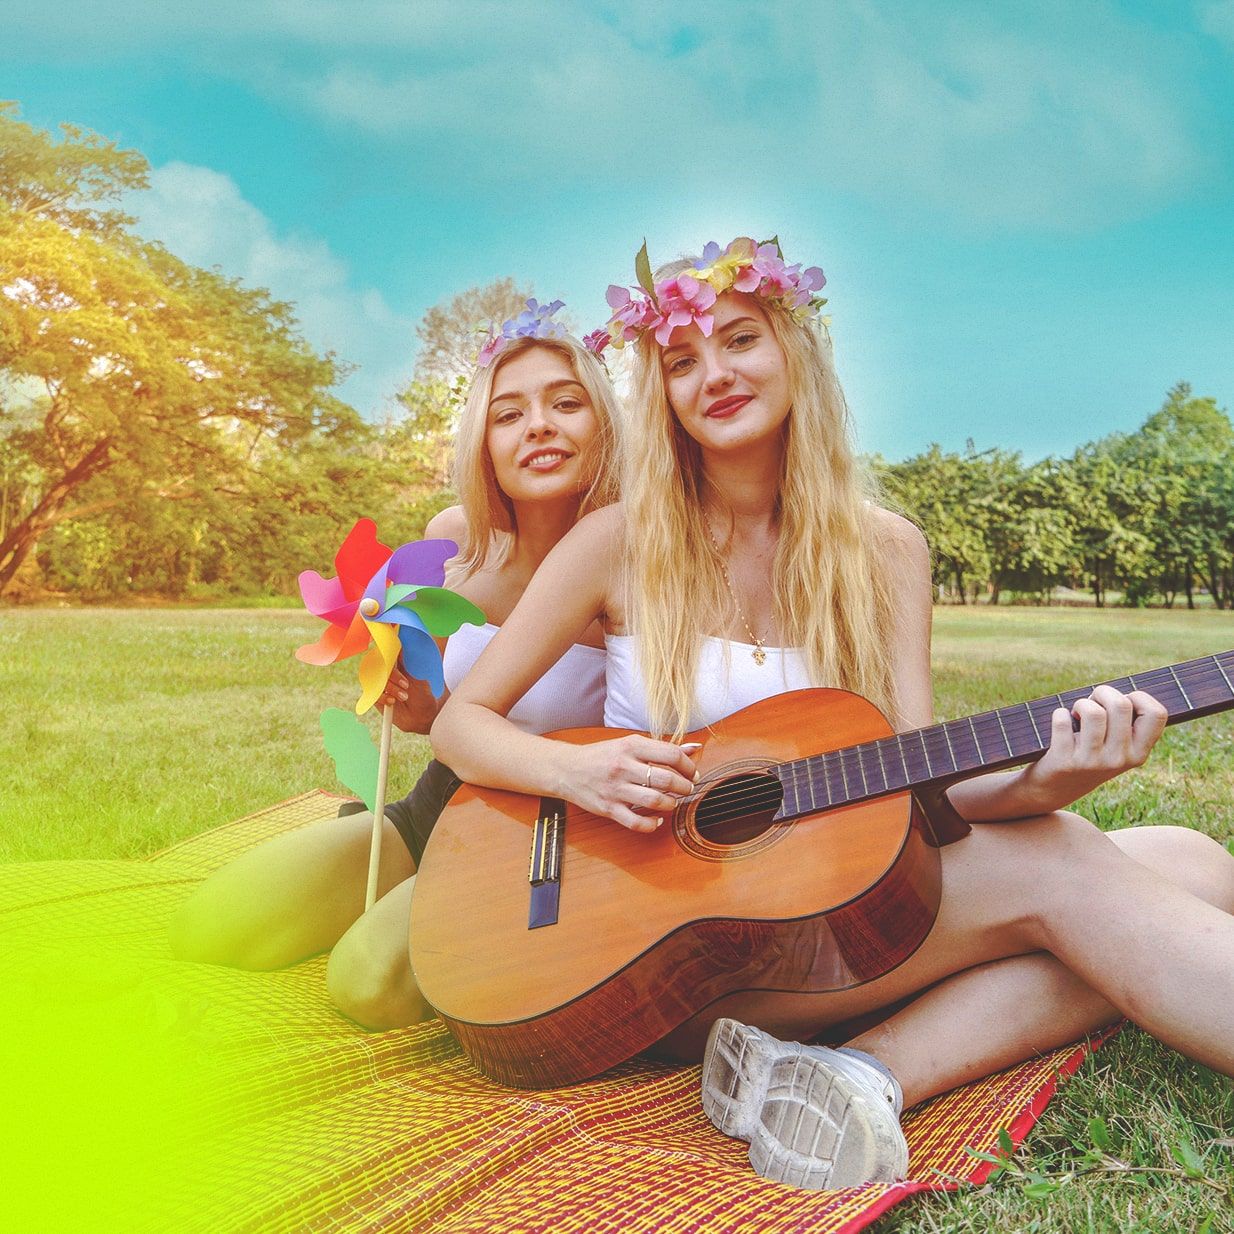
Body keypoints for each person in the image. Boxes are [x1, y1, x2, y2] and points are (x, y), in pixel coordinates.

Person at [430, 238, 1234, 1189]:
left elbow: (925, 783)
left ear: (795, 355)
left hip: (838, 919)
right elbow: (459, 724)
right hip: (662, 952)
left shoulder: (886, 551)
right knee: (1066, 866)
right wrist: (576, 772)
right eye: (683, 362)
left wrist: (1051, 777)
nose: (715, 375)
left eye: (739, 341)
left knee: (1194, 859)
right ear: (663, 395)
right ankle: (866, 1068)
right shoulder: (620, 541)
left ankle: (850, 1075)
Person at [170, 300, 620, 1030]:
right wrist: (408, 701)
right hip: (441, 803)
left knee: (368, 986)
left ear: (604, 422)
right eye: (508, 414)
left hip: (544, 835)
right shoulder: (455, 543)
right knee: (212, 926)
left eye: (566, 404)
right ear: (484, 443)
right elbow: (437, 715)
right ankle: (387, 881)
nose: (538, 424)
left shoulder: (633, 559)